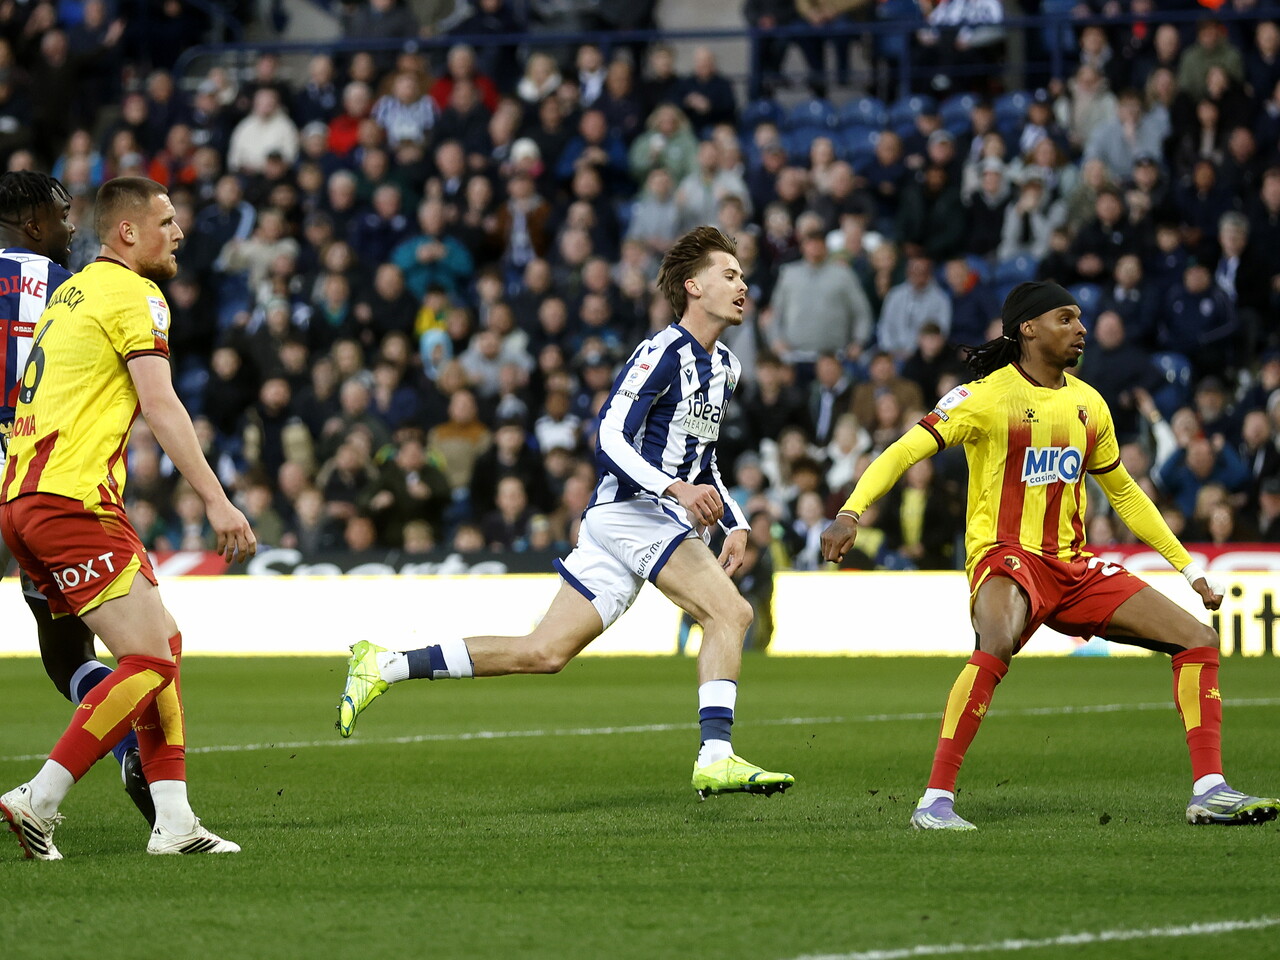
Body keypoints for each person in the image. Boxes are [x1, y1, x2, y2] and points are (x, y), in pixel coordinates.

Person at [337, 226, 794, 800]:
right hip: (635, 512)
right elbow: (607, 435)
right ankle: (716, 755)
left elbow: (704, 460)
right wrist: (673, 489)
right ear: (692, 287)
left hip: (638, 520)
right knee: (731, 613)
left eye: (743, 277)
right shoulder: (662, 352)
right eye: (730, 275)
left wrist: (737, 521)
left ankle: (385, 666)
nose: (743, 286)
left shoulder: (724, 367)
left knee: (544, 652)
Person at [820, 280, 1279, 831]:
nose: (1080, 329)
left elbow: (1126, 494)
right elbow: (902, 450)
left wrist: (1187, 568)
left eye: (1080, 319)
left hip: (1074, 566)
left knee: (1199, 640)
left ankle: (1210, 789)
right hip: (1007, 557)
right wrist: (851, 511)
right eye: (1066, 318)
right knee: (996, 643)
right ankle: (935, 800)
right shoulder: (984, 398)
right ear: (1028, 328)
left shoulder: (1089, 404)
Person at [0, 177, 257, 860]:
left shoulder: (74, 292)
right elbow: (162, 404)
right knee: (143, 658)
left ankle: (174, 823)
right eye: (167, 221)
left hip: (30, 496)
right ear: (128, 232)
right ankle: (38, 800)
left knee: (160, 645)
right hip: (70, 499)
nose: (178, 233)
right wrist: (217, 499)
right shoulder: (134, 294)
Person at [0, 171, 154, 825]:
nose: (73, 227)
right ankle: (128, 747)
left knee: (65, 648)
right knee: (70, 644)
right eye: (64, 215)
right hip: (38, 473)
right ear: (34, 222)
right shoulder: (68, 291)